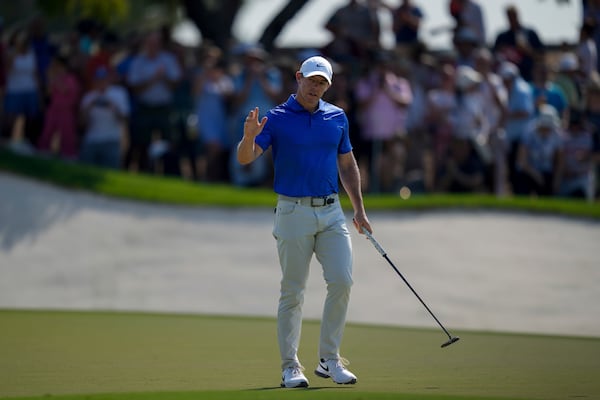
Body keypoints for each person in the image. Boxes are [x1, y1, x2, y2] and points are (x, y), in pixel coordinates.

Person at [236, 56, 371, 388]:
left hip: (331, 212)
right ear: (298, 78)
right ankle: (289, 367)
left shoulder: (337, 117)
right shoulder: (277, 118)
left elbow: (347, 163)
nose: (316, 87)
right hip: (293, 212)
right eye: (311, 80)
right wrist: (248, 137)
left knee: (342, 281)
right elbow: (245, 159)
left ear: (329, 85)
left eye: (322, 82)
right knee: (293, 292)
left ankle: (329, 359)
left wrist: (359, 209)